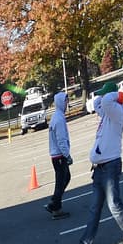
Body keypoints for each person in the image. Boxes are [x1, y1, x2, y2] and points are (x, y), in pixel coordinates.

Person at [67, 83, 123, 244]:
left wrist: (119, 95)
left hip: (110, 166)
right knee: (94, 208)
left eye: (106, 94)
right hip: (99, 169)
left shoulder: (116, 113)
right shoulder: (107, 113)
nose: (102, 97)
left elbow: (106, 101)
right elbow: (97, 103)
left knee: (113, 203)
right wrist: (107, 95)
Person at [46, 90, 72, 219]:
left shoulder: (56, 116)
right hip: (59, 155)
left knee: (64, 179)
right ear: (61, 102)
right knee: (62, 180)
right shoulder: (59, 119)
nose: (67, 104)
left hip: (56, 155)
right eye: (66, 101)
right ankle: (55, 206)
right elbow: (61, 140)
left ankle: (54, 202)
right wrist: (67, 155)